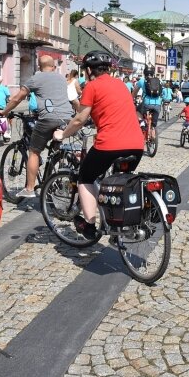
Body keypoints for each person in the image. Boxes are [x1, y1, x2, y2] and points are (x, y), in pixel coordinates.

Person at [53, 51, 143, 240]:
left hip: (110, 145)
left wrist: (63, 133)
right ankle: (118, 225)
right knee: (120, 183)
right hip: (136, 144)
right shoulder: (121, 85)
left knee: (86, 177)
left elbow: (79, 119)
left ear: (87, 70)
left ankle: (89, 225)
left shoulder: (92, 87)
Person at [0, 55, 74, 198]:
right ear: (54, 67)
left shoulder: (36, 78)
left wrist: (4, 111)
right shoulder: (62, 79)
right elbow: (72, 99)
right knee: (56, 146)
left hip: (48, 119)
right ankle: (55, 171)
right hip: (67, 119)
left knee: (34, 152)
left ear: (39, 67)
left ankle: (30, 189)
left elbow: (17, 98)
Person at [132, 67, 161, 140]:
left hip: (147, 103)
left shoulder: (141, 81)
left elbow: (135, 92)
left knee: (137, 110)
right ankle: (153, 130)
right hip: (157, 104)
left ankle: (142, 123)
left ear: (144, 74)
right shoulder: (158, 80)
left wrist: (131, 99)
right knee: (154, 122)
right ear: (153, 73)